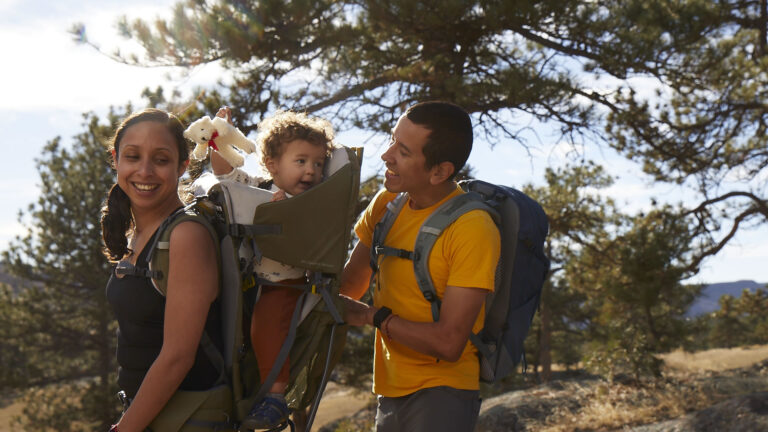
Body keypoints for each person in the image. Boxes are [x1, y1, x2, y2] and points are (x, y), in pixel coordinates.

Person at [339, 101, 501, 431]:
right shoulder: (387, 204)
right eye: (391, 139)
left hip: (443, 392)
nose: (386, 155)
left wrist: (373, 316)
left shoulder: (472, 228)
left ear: (439, 171)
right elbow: (347, 288)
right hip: (389, 388)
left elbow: (449, 343)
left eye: (403, 150)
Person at [210, 106, 335, 430]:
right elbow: (226, 176)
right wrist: (220, 137)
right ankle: (242, 392)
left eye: (318, 163)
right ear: (272, 165)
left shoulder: (314, 201)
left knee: (266, 327)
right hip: (248, 281)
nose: (311, 171)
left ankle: (277, 397)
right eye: (301, 161)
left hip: (287, 283)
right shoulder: (260, 187)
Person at [102, 108, 221, 432]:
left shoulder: (186, 236)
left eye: (161, 159)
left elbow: (177, 357)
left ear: (183, 165)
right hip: (151, 418)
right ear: (115, 159)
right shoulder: (140, 236)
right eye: (132, 156)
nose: (144, 170)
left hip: (190, 419)